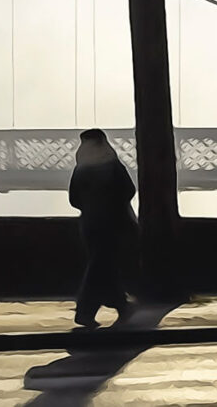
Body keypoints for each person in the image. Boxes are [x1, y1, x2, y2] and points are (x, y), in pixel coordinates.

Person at [69, 128, 139, 329]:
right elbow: (129, 190)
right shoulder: (112, 165)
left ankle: (121, 305)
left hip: (89, 225)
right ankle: (85, 311)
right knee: (101, 266)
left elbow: (74, 200)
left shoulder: (80, 169)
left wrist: (91, 207)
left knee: (103, 264)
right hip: (114, 222)